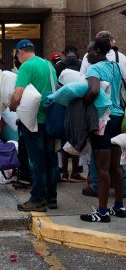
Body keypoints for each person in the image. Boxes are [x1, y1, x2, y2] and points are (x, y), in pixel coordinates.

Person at [80, 38, 126, 222]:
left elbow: (93, 91)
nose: (87, 55)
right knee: (116, 165)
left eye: (89, 51)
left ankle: (102, 212)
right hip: (117, 116)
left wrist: (82, 105)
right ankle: (119, 206)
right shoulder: (116, 67)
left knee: (102, 168)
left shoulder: (94, 69)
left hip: (103, 119)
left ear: (97, 50)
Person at [10, 39, 58, 212]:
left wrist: (12, 106)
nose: (18, 58)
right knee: (50, 159)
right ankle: (51, 197)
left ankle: (37, 199)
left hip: (34, 121)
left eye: (17, 55)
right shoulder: (48, 65)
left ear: (20, 52)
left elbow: (18, 94)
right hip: (50, 120)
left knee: (36, 161)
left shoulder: (26, 67)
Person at [53, 44, 85, 182]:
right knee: (78, 135)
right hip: (79, 104)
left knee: (65, 136)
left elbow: (55, 84)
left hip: (63, 104)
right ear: (76, 52)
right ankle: (75, 172)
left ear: (65, 53)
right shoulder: (82, 64)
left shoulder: (59, 65)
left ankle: (65, 172)